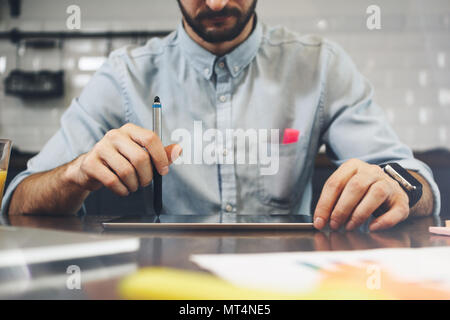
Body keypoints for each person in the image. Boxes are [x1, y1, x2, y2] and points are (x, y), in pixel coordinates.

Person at [1, 0, 440, 231]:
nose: (214, 2)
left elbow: (417, 182)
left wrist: (396, 185)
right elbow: (17, 199)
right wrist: (76, 173)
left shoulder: (321, 66)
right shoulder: (124, 75)